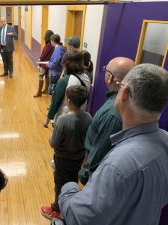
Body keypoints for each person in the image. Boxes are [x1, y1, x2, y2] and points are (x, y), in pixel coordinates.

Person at [59, 63, 168, 225]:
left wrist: (68, 188)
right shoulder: (165, 139)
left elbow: (78, 218)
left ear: (124, 93)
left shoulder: (117, 165)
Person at [78, 57, 135, 185]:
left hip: (96, 179)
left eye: (105, 70)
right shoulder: (129, 102)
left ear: (110, 77)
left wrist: (85, 173)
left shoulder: (112, 113)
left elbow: (99, 155)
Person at [41, 85, 92, 220]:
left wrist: (51, 137)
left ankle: (57, 209)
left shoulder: (63, 120)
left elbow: (54, 143)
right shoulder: (88, 117)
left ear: (68, 101)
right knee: (72, 180)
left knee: (60, 183)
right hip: (79, 159)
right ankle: (71, 203)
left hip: (63, 159)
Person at [44, 50, 90, 128]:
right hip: (79, 119)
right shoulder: (86, 78)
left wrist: (47, 119)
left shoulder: (64, 81)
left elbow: (56, 101)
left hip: (63, 120)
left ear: (66, 64)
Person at [34, 30, 55, 97]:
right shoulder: (52, 44)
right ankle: (46, 89)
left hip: (44, 64)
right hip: (48, 64)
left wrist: (40, 59)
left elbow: (44, 54)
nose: (44, 35)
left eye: (46, 34)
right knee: (47, 77)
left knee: (41, 77)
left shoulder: (49, 45)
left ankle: (39, 92)